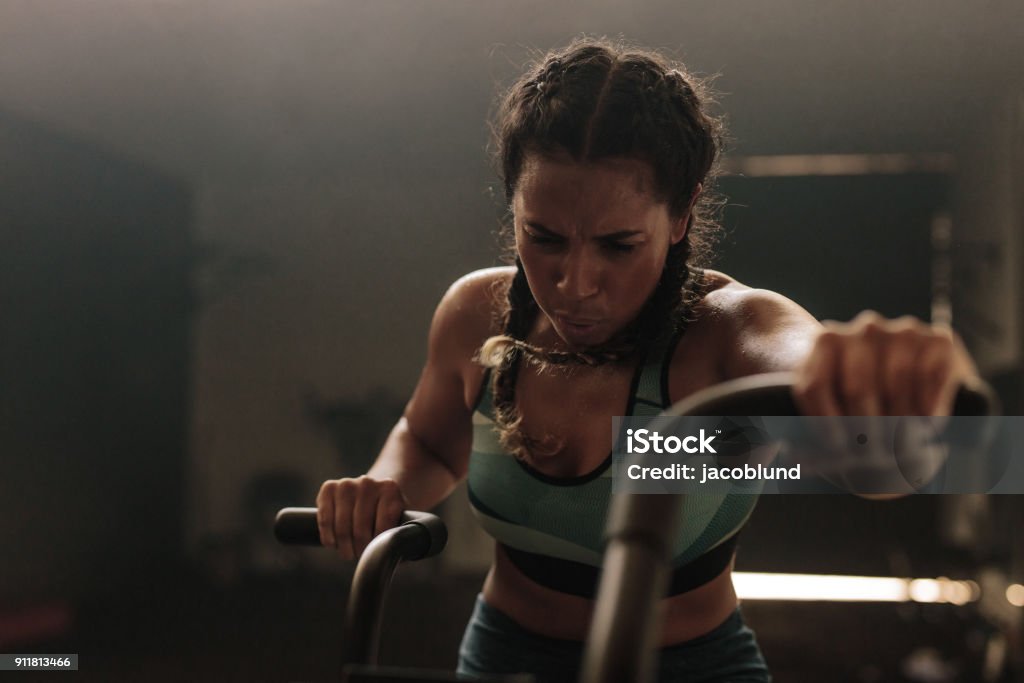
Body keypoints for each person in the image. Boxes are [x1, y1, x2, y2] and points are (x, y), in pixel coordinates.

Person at [315, 38, 981, 682]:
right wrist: (384, 486)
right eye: (542, 237)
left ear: (682, 213)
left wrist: (888, 383)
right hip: (504, 654)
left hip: (693, 666)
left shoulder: (727, 332)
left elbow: (873, 456)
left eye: (618, 245)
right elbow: (430, 441)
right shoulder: (474, 313)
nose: (574, 282)